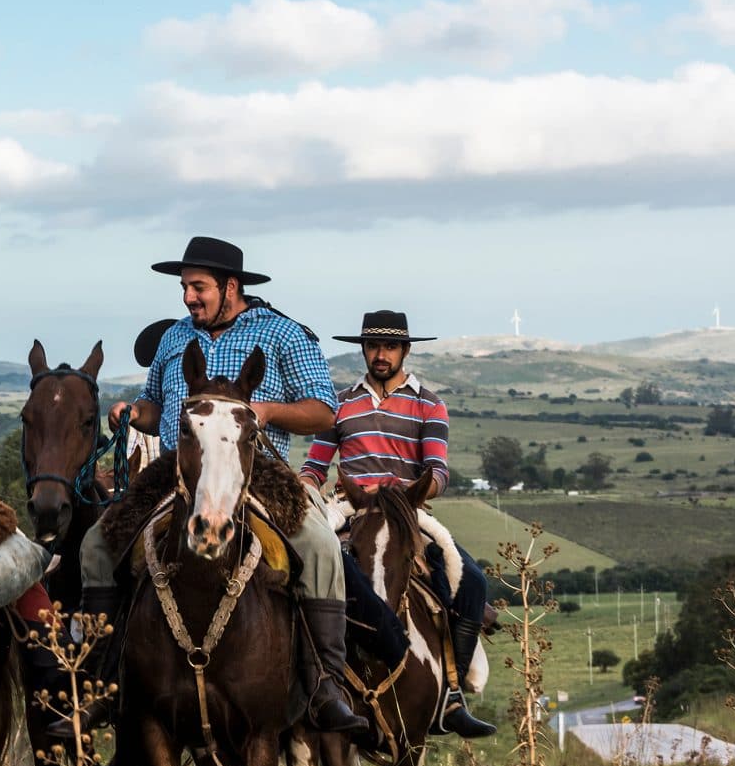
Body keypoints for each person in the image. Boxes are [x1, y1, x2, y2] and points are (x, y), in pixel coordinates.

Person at [89, 237, 369, 737]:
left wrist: (264, 411)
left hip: (259, 469)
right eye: (184, 288)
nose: (188, 298)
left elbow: (323, 411)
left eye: (197, 287)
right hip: (181, 469)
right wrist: (134, 413)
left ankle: (325, 684)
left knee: (322, 546)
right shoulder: (176, 338)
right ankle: (101, 680)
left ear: (230, 287)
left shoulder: (283, 334)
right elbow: (155, 405)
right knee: (96, 544)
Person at [303, 310, 496, 739]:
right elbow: (315, 466)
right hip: (348, 508)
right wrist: (303, 485)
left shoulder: (429, 403)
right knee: (304, 565)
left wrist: (408, 492)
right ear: (363, 350)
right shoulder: (340, 402)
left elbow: (438, 473)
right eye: (373, 346)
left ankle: (451, 695)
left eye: (389, 346)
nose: (380, 354)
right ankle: (308, 680)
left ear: (404, 350)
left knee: (474, 582)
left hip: (408, 510)